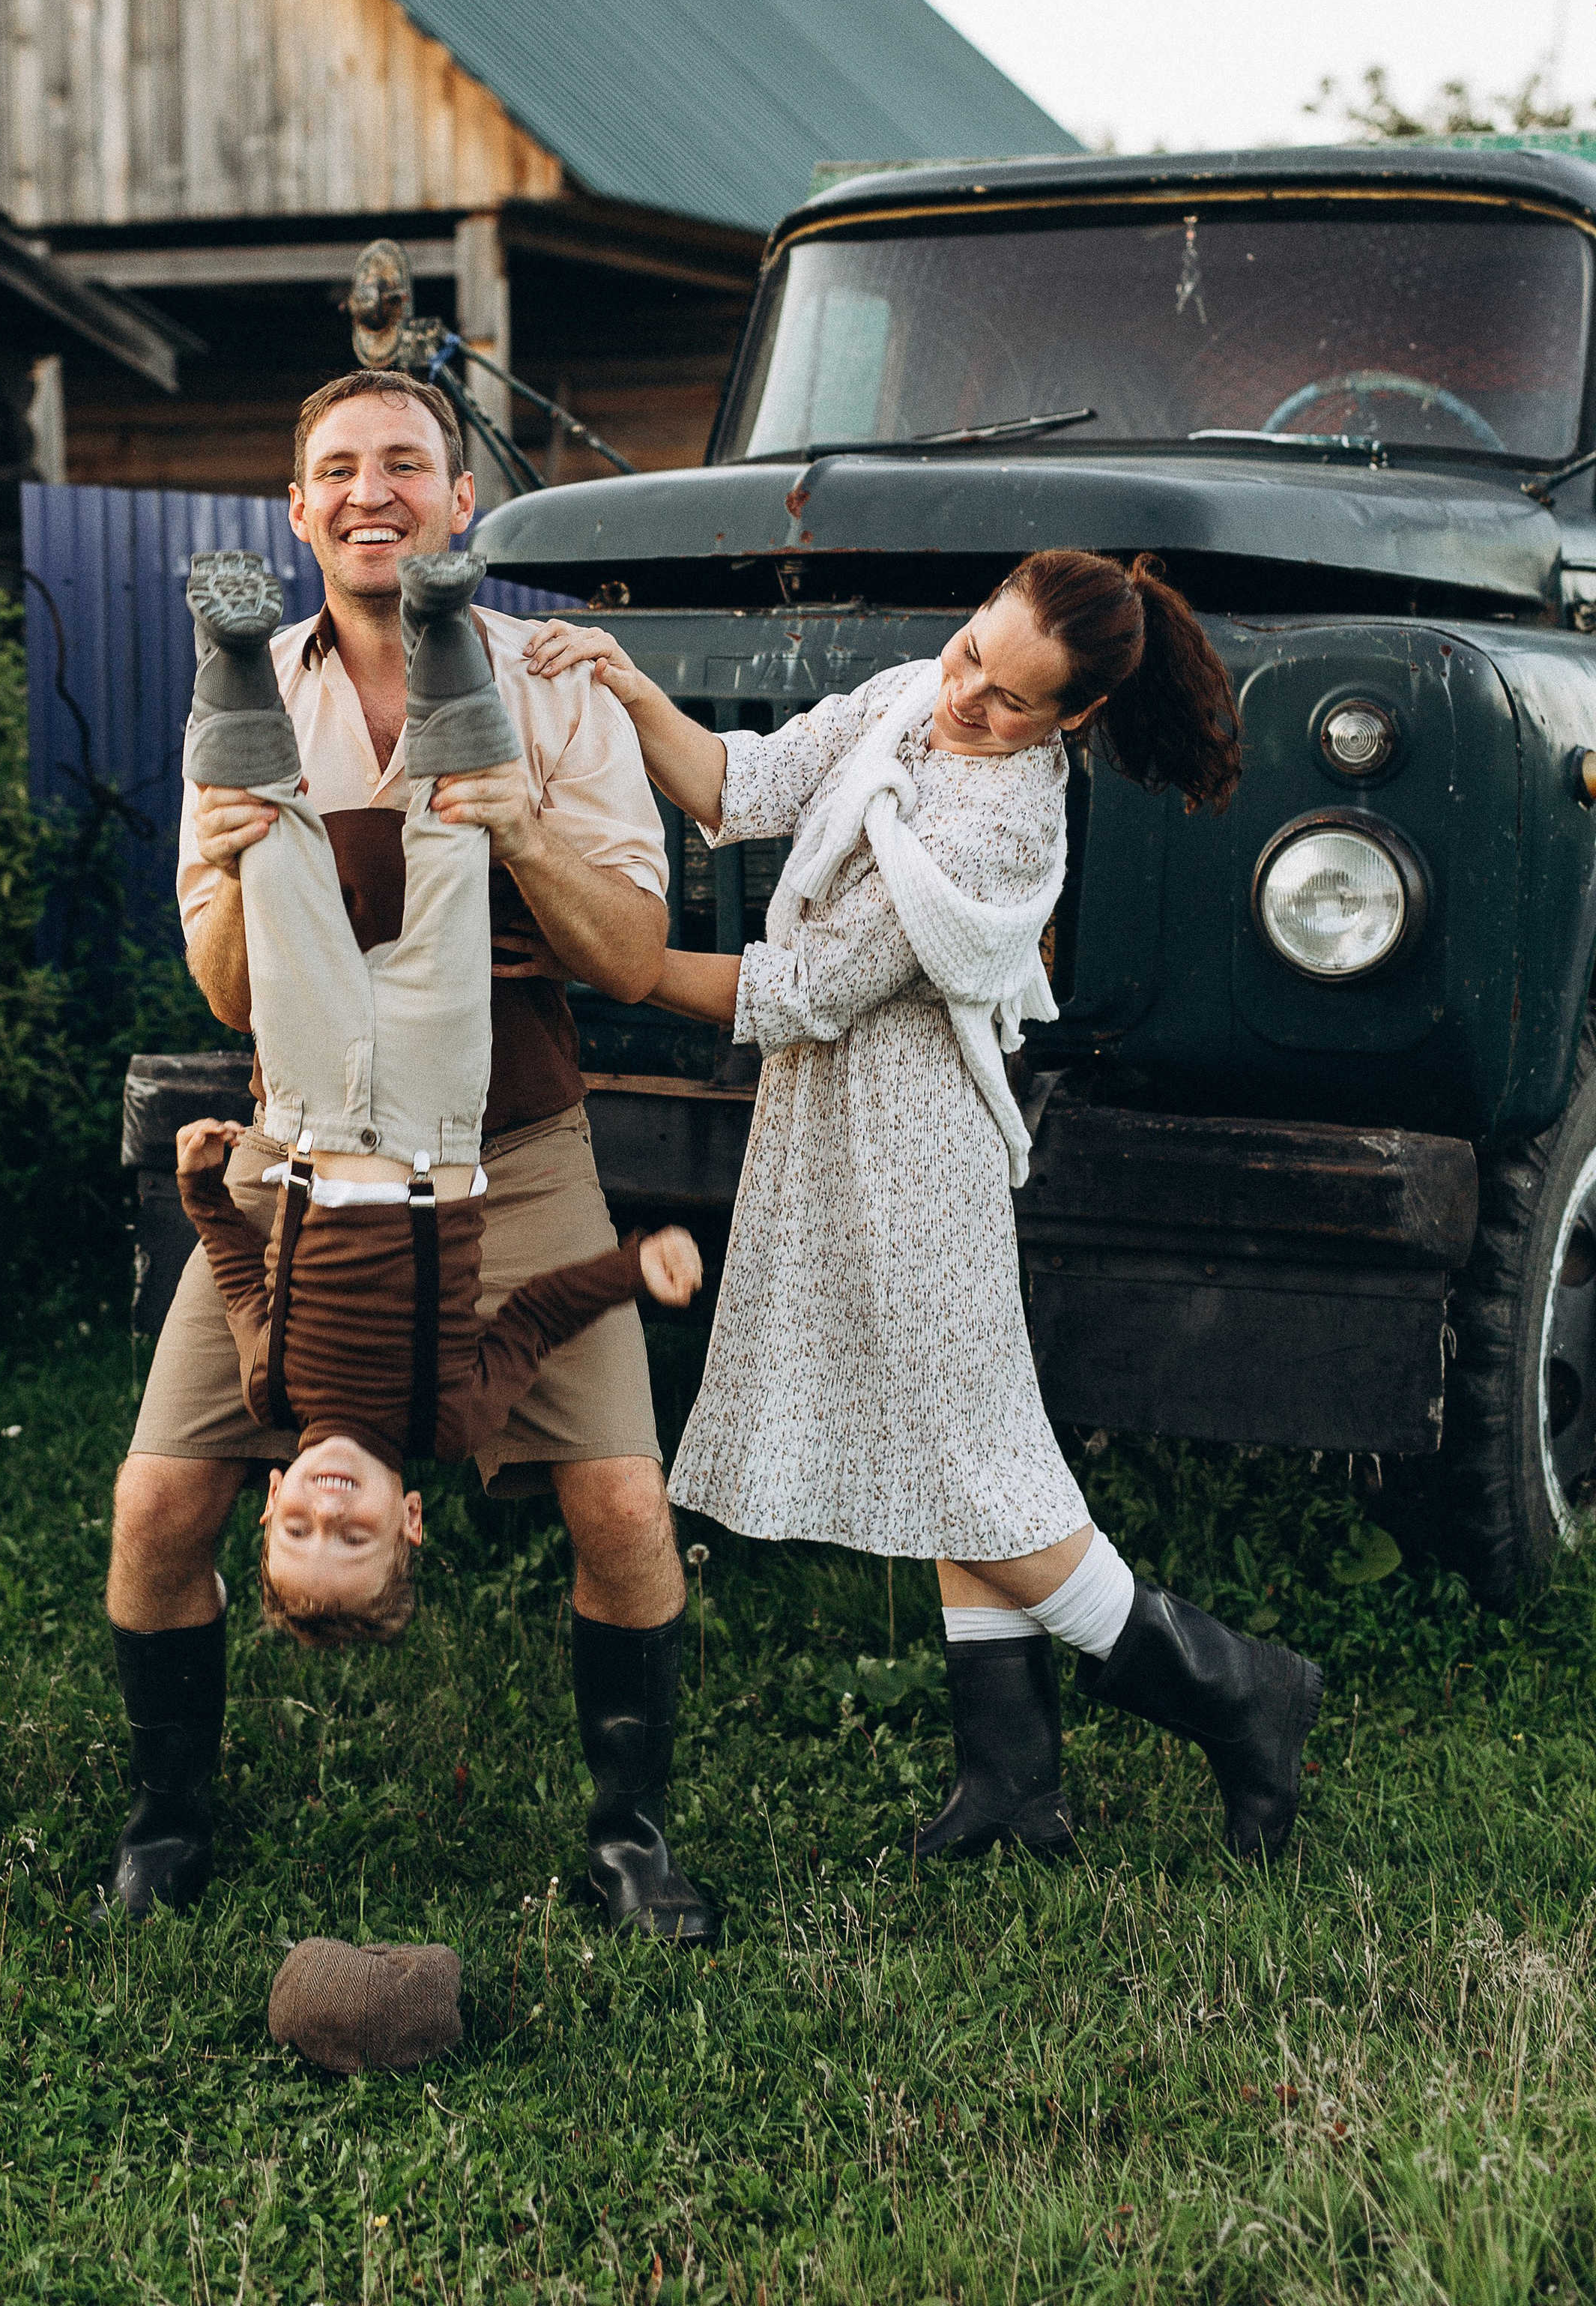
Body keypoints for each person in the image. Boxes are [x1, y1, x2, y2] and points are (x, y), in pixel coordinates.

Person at [525, 552, 1326, 1866]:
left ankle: (1239, 1692)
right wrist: (623, 684)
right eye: (969, 654)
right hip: (832, 1129)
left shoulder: (1002, 825)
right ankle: (1010, 1788)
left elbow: (806, 991)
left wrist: (612, 955)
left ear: (1070, 721)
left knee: (972, 1464)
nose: (967, 699)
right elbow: (752, 782)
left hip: (916, 1153)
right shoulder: (913, 694)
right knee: (958, 1453)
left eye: (1013, 701)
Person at [103, 370, 716, 1943]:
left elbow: (635, 948)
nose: (370, 491)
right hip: (296, 1160)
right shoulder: (240, 700)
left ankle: (631, 1838)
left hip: (506, 1151)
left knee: (626, 1514)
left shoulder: (557, 684)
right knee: (157, 1509)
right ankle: (167, 1823)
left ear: (457, 504)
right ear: (299, 512)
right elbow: (228, 991)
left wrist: (513, 830)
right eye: (337, 471)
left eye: (403, 466)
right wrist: (241, 873)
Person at [169, 540, 701, 1647]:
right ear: (410, 1519)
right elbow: (544, 1314)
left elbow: (236, 1276)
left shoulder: (271, 1397)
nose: (325, 1513)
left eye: (298, 1530)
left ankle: (227, 661)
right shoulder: (452, 1415)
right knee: (455, 866)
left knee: (276, 874)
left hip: (308, 1112)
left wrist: (204, 1193)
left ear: (269, 1503)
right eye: (351, 1538)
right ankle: (447, 636)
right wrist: (634, 1269)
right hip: (447, 1122)